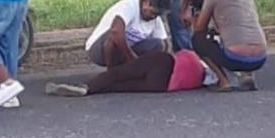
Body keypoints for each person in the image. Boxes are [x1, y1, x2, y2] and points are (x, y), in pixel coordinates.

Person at [192, 0, 266, 92]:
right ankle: (247, 75)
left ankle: (224, 81)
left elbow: (200, 28)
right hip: (260, 58)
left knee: (198, 40)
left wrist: (193, 18)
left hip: (236, 57)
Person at [45, 50, 211, 97]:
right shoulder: (197, 81)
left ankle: (88, 87)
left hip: (165, 63)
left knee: (119, 73)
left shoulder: (195, 58)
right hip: (162, 86)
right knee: (119, 86)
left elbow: (177, 53)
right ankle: (95, 90)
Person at [85, 0, 172, 69]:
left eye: (157, 15)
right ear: (146, 2)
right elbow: (116, 32)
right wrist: (132, 58)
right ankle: (111, 72)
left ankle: (136, 72)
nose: (153, 16)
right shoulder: (128, 6)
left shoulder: (155, 19)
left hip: (126, 51)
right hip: (99, 50)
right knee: (112, 37)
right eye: (153, 12)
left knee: (159, 44)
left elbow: (164, 44)